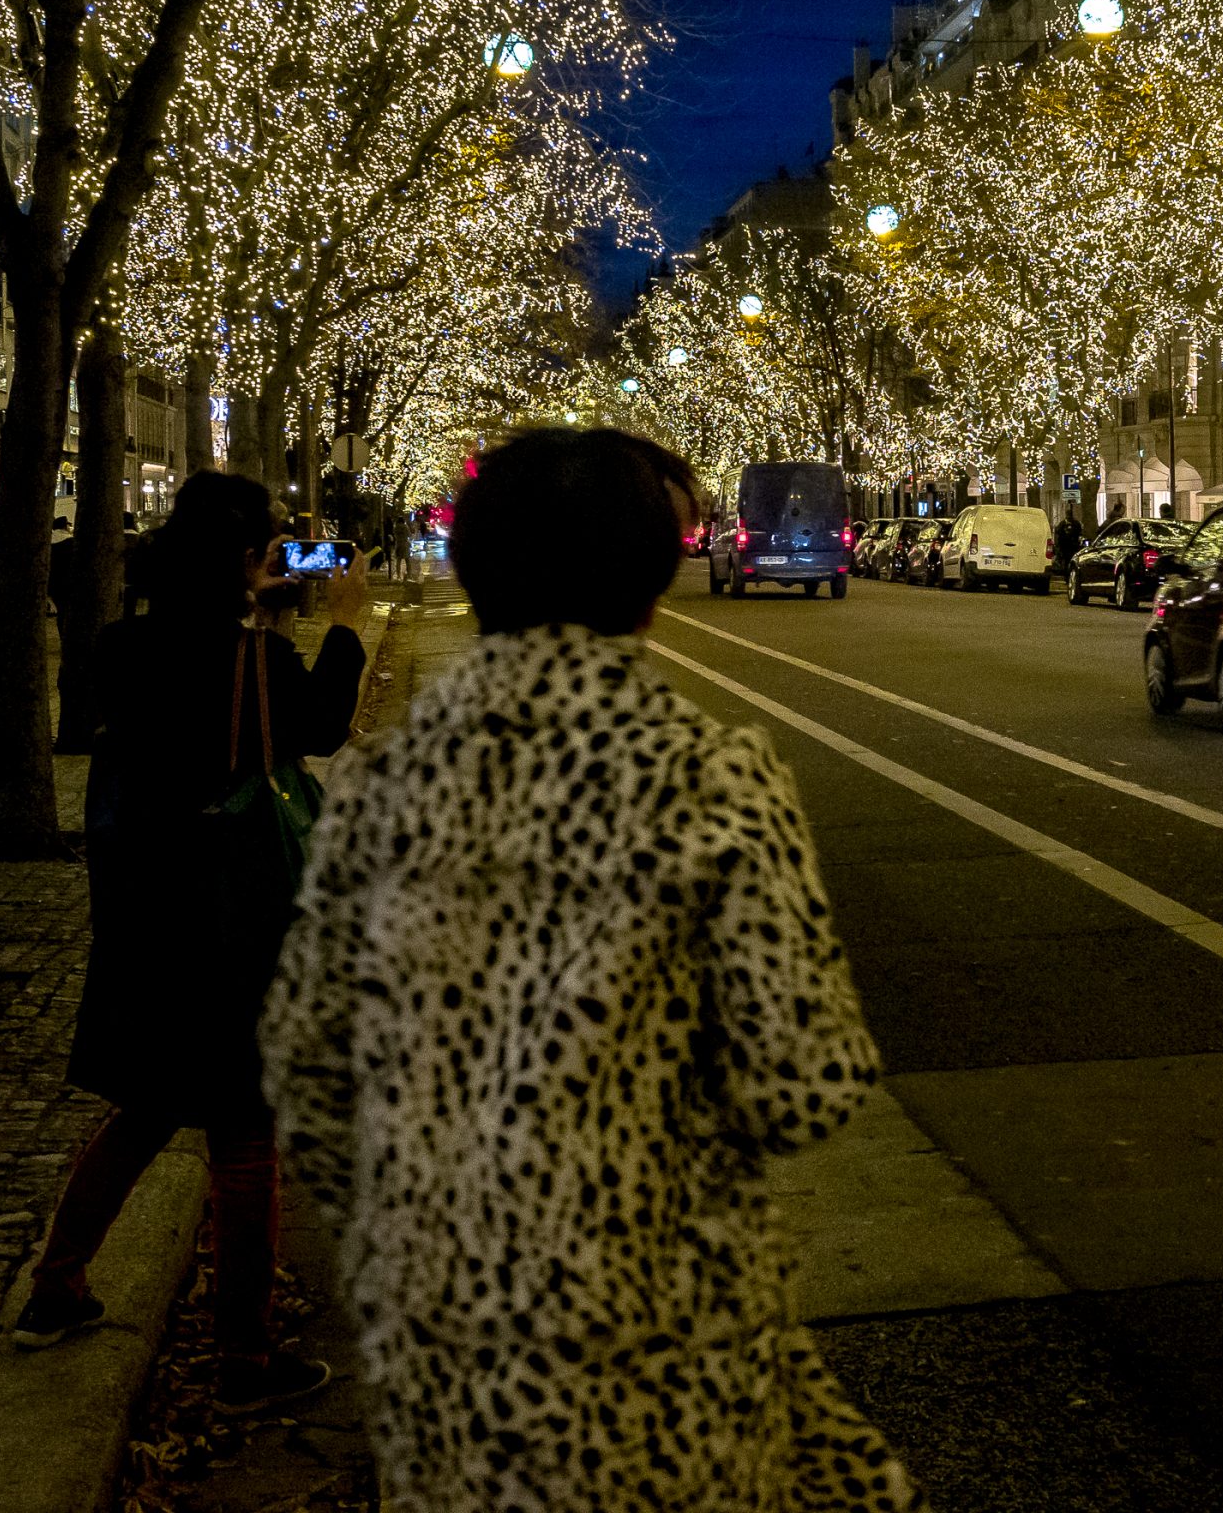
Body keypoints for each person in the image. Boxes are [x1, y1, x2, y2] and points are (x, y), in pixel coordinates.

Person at [261, 426, 918, 1513]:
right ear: (651, 579)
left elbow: (308, 1067)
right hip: (665, 1346)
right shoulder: (711, 778)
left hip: (452, 1364)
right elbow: (805, 1085)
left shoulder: (383, 786)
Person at [16, 470, 369, 1412]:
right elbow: (319, 729)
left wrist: (263, 625)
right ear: (249, 561)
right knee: (247, 1136)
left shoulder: (122, 647)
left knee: (143, 1108)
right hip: (237, 922)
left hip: (148, 915)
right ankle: (247, 1361)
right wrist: (343, 622)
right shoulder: (258, 662)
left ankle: (55, 1286)